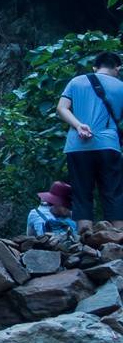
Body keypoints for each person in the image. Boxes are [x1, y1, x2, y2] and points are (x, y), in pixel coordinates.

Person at [56, 50, 123, 223]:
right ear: (117, 68)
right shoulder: (121, 86)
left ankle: (84, 240)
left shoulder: (76, 82)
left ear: (95, 67)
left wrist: (79, 125)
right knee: (113, 193)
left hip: (78, 145)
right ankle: (117, 242)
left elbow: (61, 108)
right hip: (109, 145)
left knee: (82, 194)